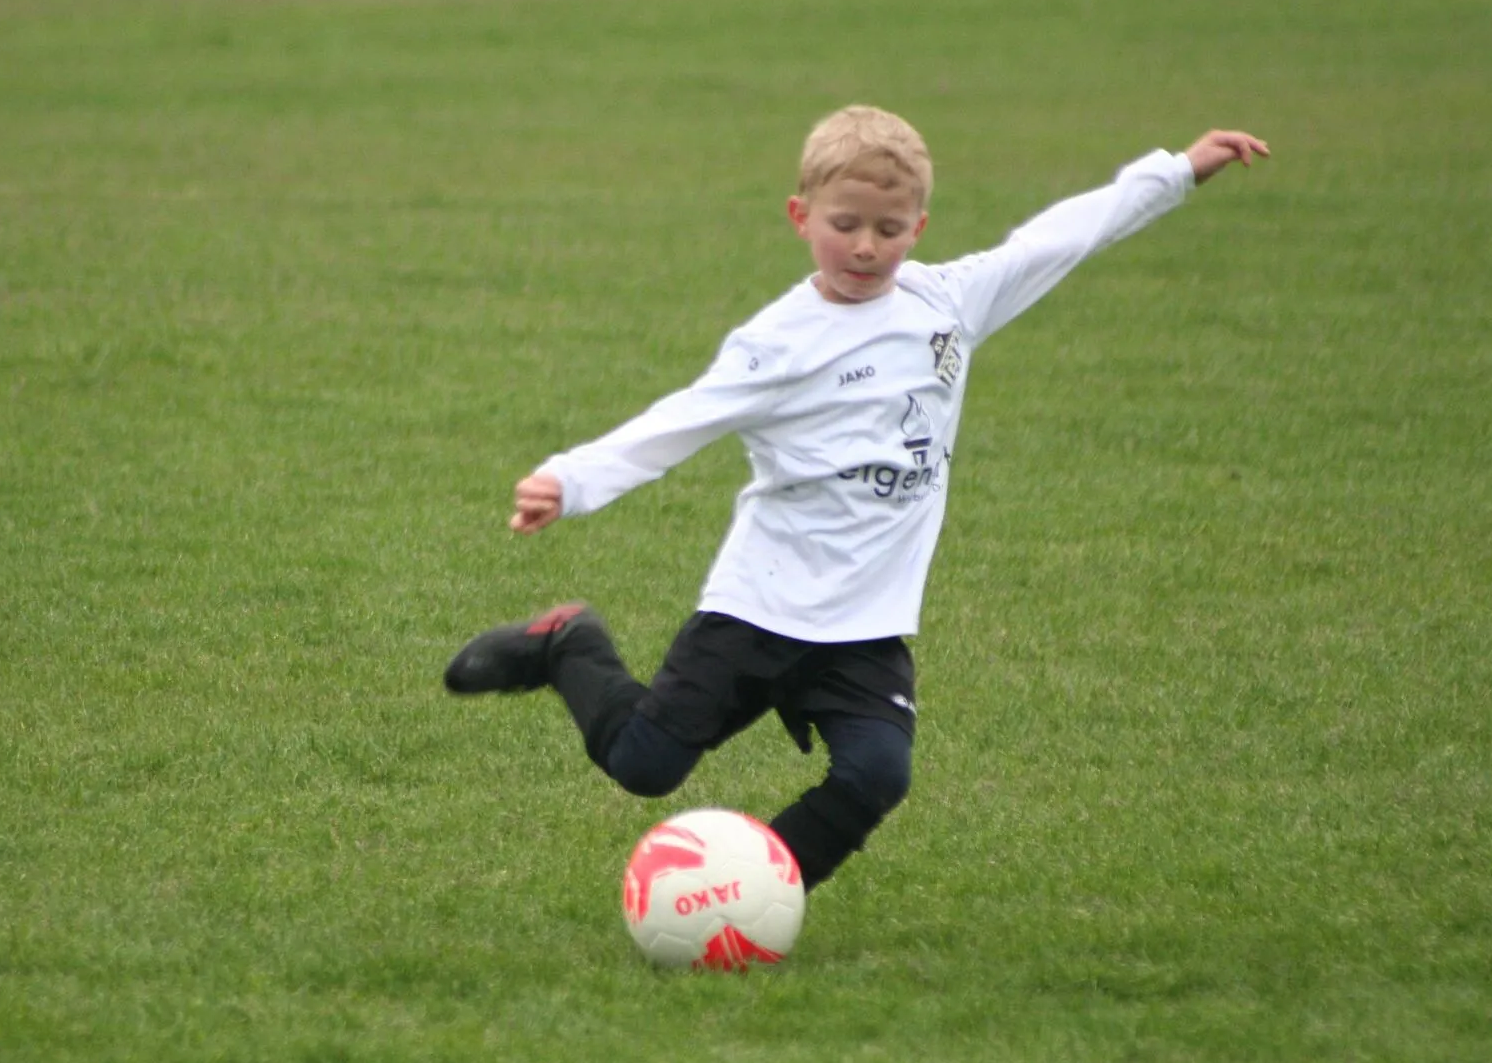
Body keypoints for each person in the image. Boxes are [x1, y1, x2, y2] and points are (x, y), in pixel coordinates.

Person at [444, 105, 1268, 893]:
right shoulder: (776, 343)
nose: (867, 246)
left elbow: (1061, 237)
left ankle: (754, 893)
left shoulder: (946, 303)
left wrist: (1179, 170)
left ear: (920, 227)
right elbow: (682, 420)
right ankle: (567, 642)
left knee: (878, 771)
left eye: (889, 228)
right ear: (800, 216)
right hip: (759, 606)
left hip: (866, 624)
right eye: (845, 224)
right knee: (644, 765)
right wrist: (572, 480)